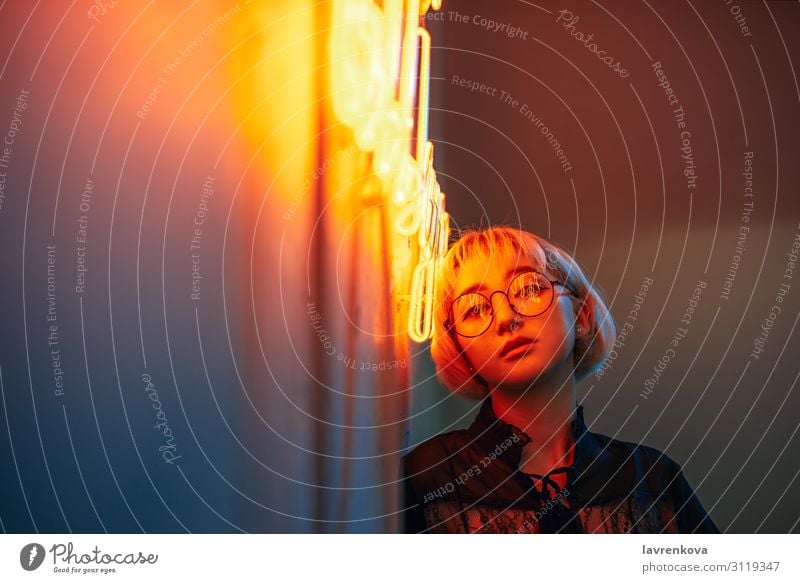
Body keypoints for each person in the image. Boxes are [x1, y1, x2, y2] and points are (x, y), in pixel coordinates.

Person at [402, 226, 718, 533]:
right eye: (474, 309)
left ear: (580, 317)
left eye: (528, 288)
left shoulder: (651, 480)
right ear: (460, 350)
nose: (505, 317)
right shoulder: (426, 478)